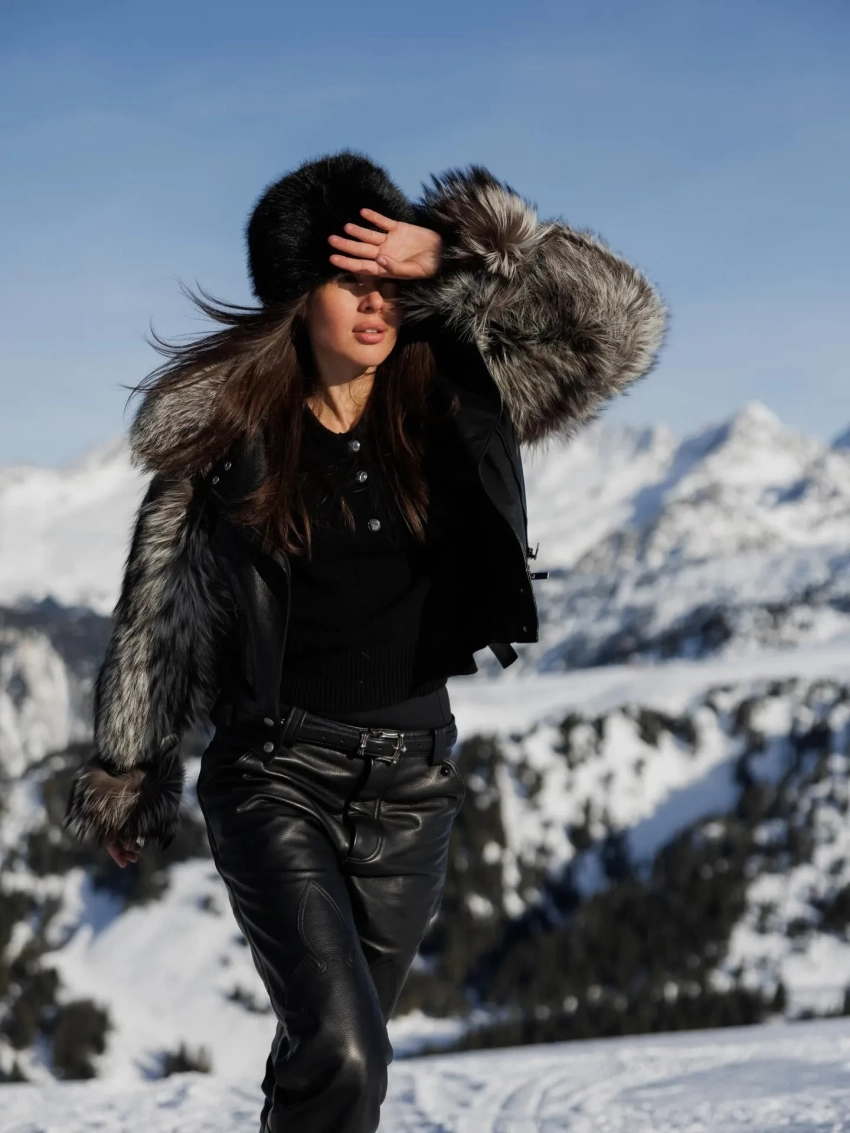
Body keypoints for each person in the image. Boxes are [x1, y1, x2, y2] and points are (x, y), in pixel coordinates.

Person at [62, 150, 668, 1132]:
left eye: (390, 281)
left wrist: (468, 250)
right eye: (352, 282)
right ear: (298, 299)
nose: (378, 302)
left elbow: (616, 335)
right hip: (274, 772)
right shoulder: (226, 440)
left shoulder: (455, 393)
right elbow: (158, 612)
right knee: (343, 1050)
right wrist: (132, 766)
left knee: (335, 1068)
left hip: (412, 786)